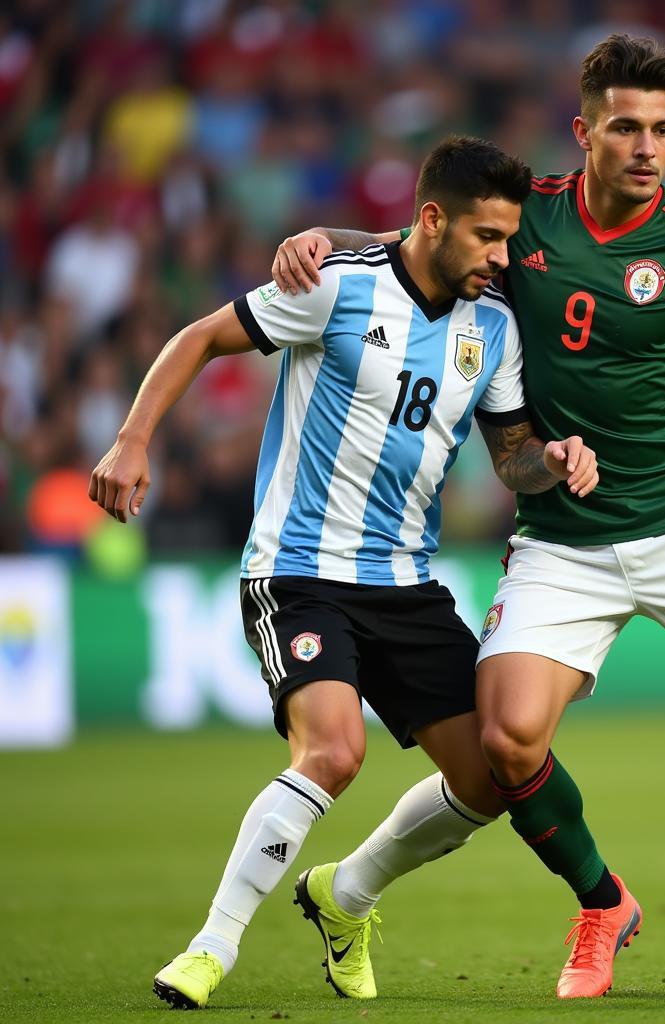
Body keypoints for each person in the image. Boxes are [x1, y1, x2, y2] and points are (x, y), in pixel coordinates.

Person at [274, 34, 665, 999]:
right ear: (585, 132)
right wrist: (322, 239)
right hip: (563, 539)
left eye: (663, 128)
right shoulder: (523, 217)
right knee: (506, 741)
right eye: (626, 127)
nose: (648, 145)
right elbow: (424, 242)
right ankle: (602, 903)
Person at [88, 134, 602, 1010]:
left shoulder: (494, 327)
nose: (500, 257)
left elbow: (510, 456)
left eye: (508, 239)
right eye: (485, 237)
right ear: (431, 218)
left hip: (404, 580)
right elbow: (201, 337)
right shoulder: (333, 283)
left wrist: (551, 459)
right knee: (334, 749)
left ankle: (344, 895)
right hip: (298, 568)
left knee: (487, 778)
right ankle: (211, 947)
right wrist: (134, 440)